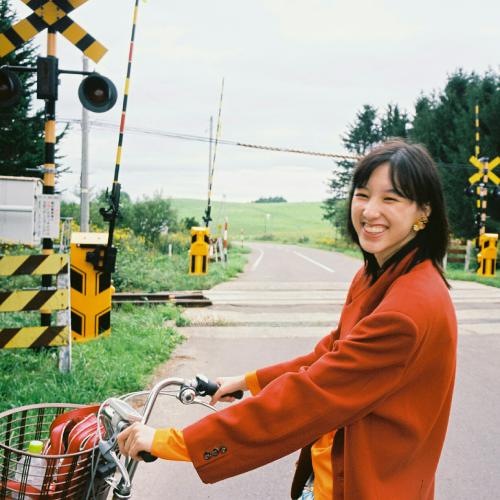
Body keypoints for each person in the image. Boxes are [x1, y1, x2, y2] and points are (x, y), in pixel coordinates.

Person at [118, 139, 457, 500]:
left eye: (390, 199)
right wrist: (247, 381)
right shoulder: (378, 275)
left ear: (423, 212)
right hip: (332, 477)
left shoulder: (406, 311)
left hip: (370, 485)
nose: (370, 211)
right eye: (362, 195)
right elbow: (331, 356)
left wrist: (175, 441)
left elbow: (311, 396)